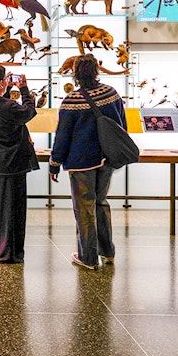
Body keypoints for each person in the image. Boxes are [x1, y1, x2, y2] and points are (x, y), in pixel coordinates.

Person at [48, 55, 126, 270]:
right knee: (101, 203)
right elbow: (122, 125)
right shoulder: (111, 94)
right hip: (107, 159)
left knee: (84, 209)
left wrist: (54, 163)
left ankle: (88, 257)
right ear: (96, 70)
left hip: (81, 162)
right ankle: (108, 252)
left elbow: (62, 136)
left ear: (76, 73)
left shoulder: (71, 101)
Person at [0, 64, 39, 264]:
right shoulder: (9, 107)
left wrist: (8, 89)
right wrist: (24, 89)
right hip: (9, 165)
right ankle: (7, 252)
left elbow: (0, 107)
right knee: (10, 210)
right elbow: (28, 112)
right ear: (1, 82)